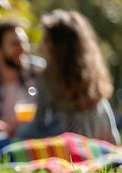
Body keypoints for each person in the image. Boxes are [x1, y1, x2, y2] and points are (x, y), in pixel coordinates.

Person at [16, 10, 121, 145]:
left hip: (68, 142)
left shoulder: (47, 77)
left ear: (57, 46)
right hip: (96, 139)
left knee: (22, 132)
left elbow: (39, 124)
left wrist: (19, 129)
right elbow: (110, 133)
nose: (40, 45)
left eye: (45, 40)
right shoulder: (92, 74)